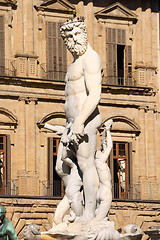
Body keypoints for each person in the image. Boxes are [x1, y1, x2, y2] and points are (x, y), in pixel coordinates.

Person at [60, 16, 103, 222]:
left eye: (77, 34)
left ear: (84, 33)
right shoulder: (74, 64)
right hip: (71, 124)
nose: (73, 39)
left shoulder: (91, 58)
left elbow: (94, 94)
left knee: (87, 166)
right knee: (62, 167)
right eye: (69, 36)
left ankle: (90, 213)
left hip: (85, 121)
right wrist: (70, 123)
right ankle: (76, 210)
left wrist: (79, 122)